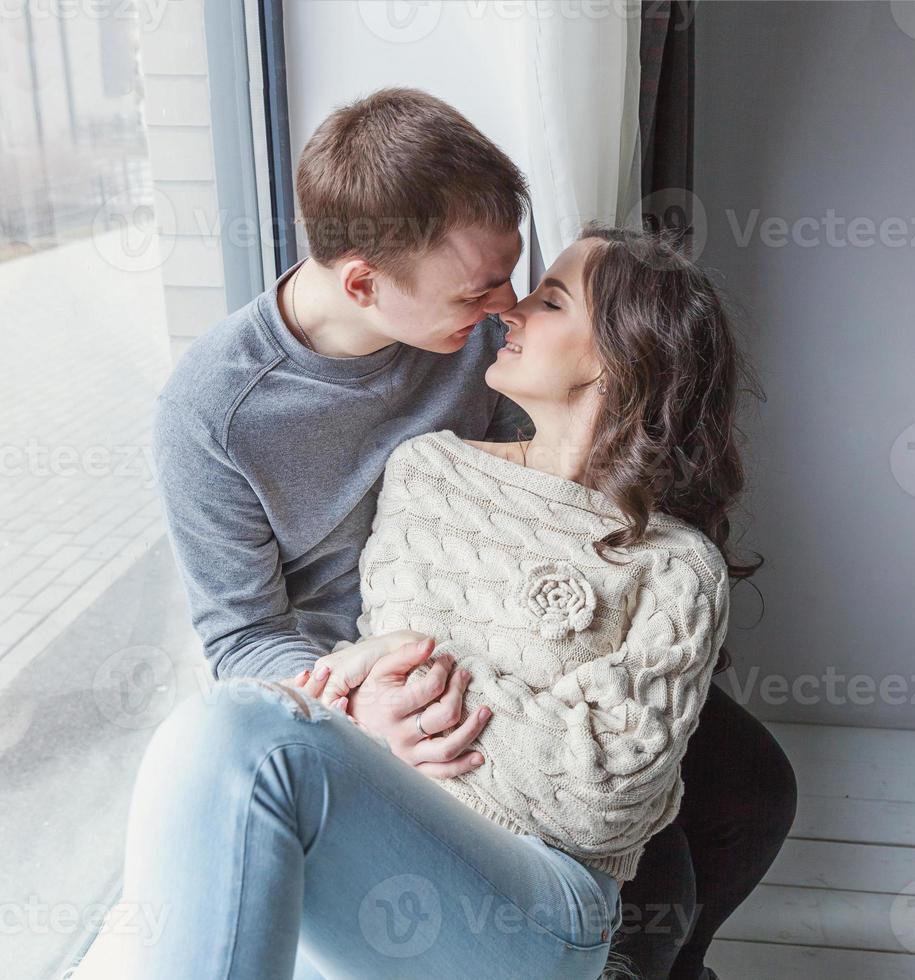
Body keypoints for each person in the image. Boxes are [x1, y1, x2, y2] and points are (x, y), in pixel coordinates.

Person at [97, 88, 796, 979]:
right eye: (482, 290)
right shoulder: (214, 414)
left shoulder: (483, 330)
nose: (507, 304)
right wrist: (359, 710)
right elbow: (241, 635)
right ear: (363, 284)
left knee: (748, 796)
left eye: (522, 281)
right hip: (374, 673)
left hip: (529, 638)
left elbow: (596, 413)